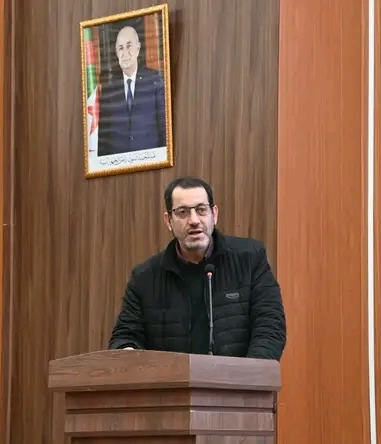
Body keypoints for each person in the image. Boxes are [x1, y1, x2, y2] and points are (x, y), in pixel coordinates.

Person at [108, 176, 286, 360]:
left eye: (201, 210)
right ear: (169, 220)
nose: (194, 220)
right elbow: (126, 336)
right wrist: (127, 353)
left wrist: (249, 373)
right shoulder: (145, 278)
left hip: (238, 377)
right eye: (183, 212)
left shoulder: (249, 258)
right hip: (172, 378)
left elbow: (270, 325)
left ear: (214, 215)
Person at [97, 25, 166, 157]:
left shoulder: (154, 80)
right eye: (120, 48)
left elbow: (164, 128)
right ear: (117, 52)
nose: (125, 53)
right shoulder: (109, 89)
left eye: (129, 46)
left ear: (138, 48)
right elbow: (103, 137)